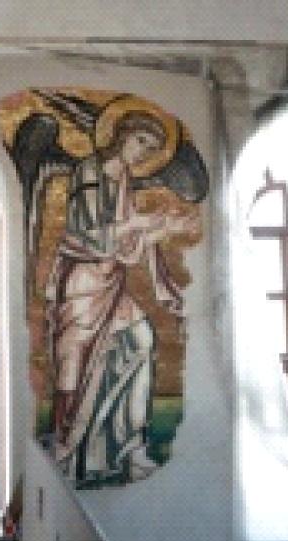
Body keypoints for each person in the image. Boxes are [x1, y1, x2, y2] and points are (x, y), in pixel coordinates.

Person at [46, 111, 198, 487]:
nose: (144, 152)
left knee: (140, 340)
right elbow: (91, 232)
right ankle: (67, 453)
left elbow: (126, 249)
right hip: (82, 281)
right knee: (74, 366)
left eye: (152, 149)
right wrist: (143, 223)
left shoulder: (125, 179)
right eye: (141, 141)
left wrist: (164, 229)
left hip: (110, 280)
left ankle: (126, 449)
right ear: (122, 134)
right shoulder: (90, 170)